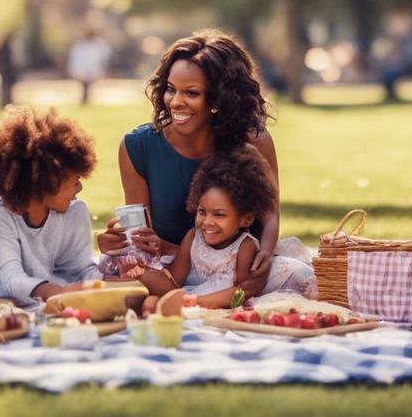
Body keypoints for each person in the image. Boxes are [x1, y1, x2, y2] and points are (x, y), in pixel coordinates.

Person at [97, 29, 314, 298]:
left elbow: (269, 215)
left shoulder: (254, 141)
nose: (175, 102)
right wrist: (121, 242)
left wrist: (266, 254)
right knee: (108, 278)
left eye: (191, 93)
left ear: (218, 99)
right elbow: (140, 234)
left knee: (299, 275)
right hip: (171, 266)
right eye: (170, 89)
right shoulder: (137, 146)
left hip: (237, 266)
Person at [136, 149, 314, 308]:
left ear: (246, 219)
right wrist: (139, 272)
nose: (207, 221)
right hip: (195, 294)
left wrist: (197, 302)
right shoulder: (192, 238)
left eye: (219, 214)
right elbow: (173, 281)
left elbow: (242, 292)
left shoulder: (245, 246)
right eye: (202, 212)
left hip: (220, 297)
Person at [0, 106, 103, 306]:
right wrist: (56, 292)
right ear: (48, 181)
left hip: (47, 293)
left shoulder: (76, 211)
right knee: (5, 308)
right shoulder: (3, 214)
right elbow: (11, 278)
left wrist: (92, 285)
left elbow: (83, 267)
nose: (80, 188)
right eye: (75, 181)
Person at [66, 26, 112, 105]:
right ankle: (84, 99)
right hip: (82, 68)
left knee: (89, 86)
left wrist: (103, 68)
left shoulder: (99, 44)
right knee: (84, 85)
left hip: (93, 68)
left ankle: (87, 99)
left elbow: (105, 56)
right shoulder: (79, 45)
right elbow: (75, 58)